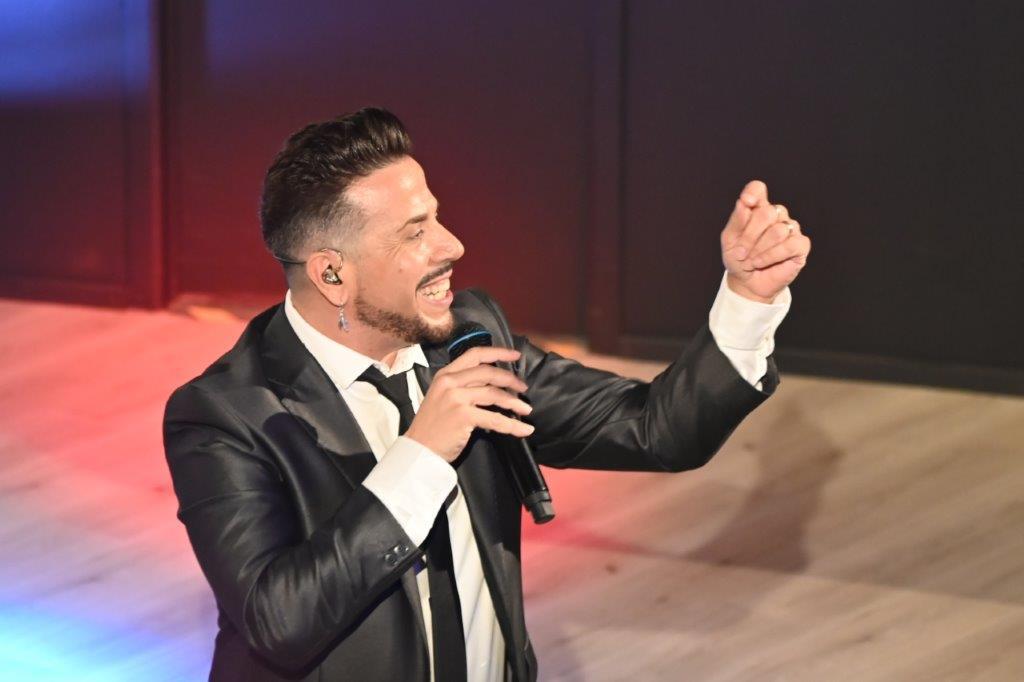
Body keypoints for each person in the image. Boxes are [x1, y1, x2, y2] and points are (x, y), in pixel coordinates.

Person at [163, 107, 811, 682]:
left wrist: (747, 298)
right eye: (415, 232)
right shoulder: (226, 416)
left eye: (436, 217)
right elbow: (279, 621)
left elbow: (656, 431)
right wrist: (422, 454)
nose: (453, 245)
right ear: (332, 273)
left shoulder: (469, 339)